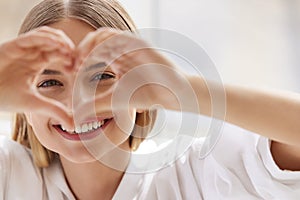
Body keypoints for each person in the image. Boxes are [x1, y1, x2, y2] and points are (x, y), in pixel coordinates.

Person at [0, 0, 300, 199]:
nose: (77, 106)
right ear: (23, 105)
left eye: (102, 76)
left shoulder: (196, 172)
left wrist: (182, 90)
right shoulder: (9, 173)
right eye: (50, 82)